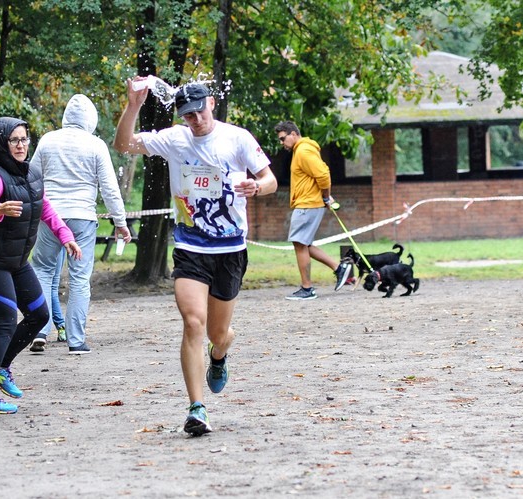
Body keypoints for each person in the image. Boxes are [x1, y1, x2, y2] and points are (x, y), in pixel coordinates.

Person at [113, 79, 277, 436]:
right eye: (188, 115)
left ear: (212, 103)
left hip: (230, 249)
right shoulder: (175, 139)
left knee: (218, 333)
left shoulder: (238, 138)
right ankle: (196, 408)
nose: (196, 119)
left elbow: (270, 179)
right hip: (191, 247)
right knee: (193, 323)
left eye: (200, 110)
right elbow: (124, 144)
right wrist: (133, 105)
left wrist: (257, 186)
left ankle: (219, 355)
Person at [0, 116, 82, 414]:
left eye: (24, 139)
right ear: (1, 145)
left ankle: (2, 368)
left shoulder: (31, 174)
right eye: (14, 140)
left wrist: (65, 236)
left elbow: (43, 207)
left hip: (16, 260)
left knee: (38, 316)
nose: (21, 145)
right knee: (5, 322)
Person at [30, 93, 130, 355]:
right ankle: (76, 340)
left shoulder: (47, 140)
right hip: (83, 219)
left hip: (49, 216)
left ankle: (38, 330)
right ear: (91, 118)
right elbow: (110, 188)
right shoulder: (96, 145)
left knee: (41, 270)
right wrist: (120, 222)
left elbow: (31, 179)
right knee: (79, 278)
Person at [274, 121, 351, 301]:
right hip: (307, 203)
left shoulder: (303, 150)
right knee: (303, 243)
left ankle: (307, 288)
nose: (282, 143)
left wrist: (326, 197)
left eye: (283, 138)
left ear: (293, 134)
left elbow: (323, 175)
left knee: (299, 243)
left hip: (307, 204)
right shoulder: (301, 150)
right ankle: (339, 268)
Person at [50, 247, 67, 342]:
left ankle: (40, 332)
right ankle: (61, 327)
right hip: (60, 236)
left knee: (46, 282)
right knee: (52, 285)